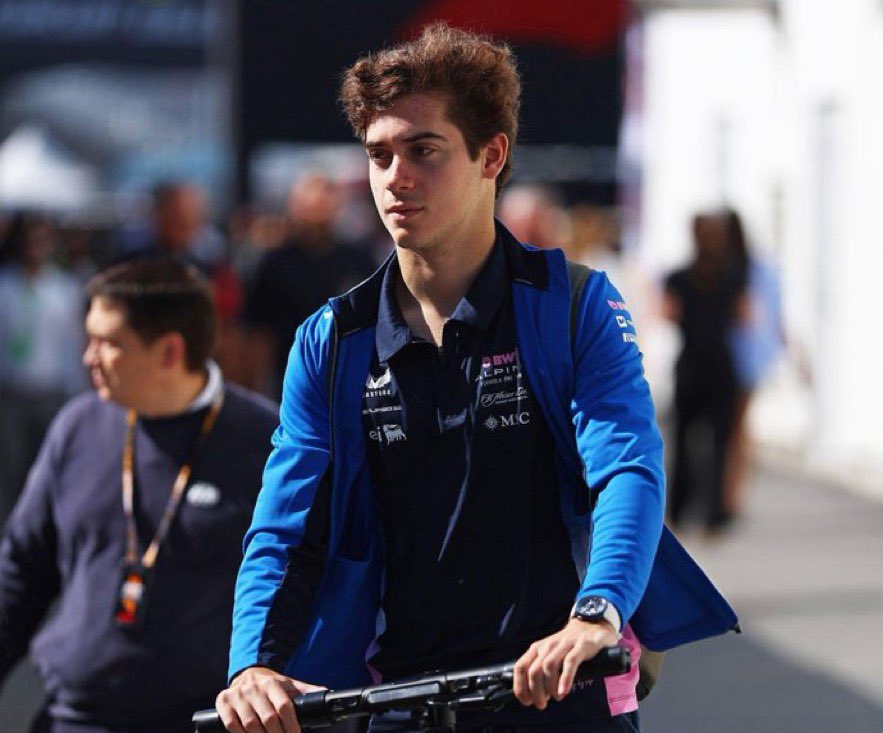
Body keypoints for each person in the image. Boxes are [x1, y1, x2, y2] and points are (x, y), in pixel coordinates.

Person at [217, 23, 736, 733]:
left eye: (422, 150)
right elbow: (285, 528)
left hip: (562, 689)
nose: (394, 177)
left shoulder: (573, 305)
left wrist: (596, 613)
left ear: (491, 155)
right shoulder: (332, 341)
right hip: (399, 699)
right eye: (378, 154)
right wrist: (252, 664)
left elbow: (626, 470)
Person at [0, 258, 278, 733]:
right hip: (72, 716)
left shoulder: (267, 443)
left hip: (202, 722)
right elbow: (21, 572)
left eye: (108, 343)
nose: (88, 357)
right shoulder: (78, 426)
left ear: (169, 351)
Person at [243, 172, 376, 397]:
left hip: (348, 378)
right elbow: (260, 335)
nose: (318, 208)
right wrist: (257, 390)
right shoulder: (275, 263)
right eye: (310, 201)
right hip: (290, 379)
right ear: (294, 205)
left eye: (325, 199)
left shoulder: (357, 260)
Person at [663, 212, 749, 532]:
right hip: (720, 365)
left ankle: (679, 509)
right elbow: (744, 316)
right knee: (719, 444)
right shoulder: (733, 276)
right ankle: (714, 513)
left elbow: (668, 313)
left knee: (683, 441)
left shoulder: (679, 277)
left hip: (690, 364)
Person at [0, 212, 86, 525]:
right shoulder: (5, 285)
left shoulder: (64, 288)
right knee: (10, 469)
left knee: (47, 469)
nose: (35, 247)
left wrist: (76, 391)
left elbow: (72, 344)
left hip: (51, 392)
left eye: (42, 240)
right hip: (11, 393)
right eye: (30, 240)